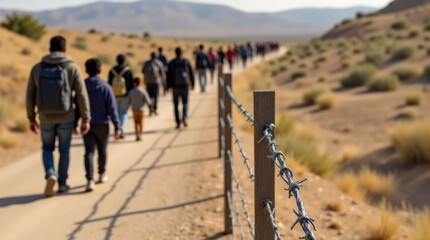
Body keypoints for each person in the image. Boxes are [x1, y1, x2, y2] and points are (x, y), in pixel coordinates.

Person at [26, 35, 91, 197]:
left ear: (49, 49)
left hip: (45, 117)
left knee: (47, 148)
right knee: (64, 151)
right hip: (66, 117)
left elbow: (30, 95)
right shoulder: (72, 67)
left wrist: (31, 118)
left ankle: (50, 173)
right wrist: (85, 118)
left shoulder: (37, 68)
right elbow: (82, 95)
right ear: (65, 49)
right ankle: (62, 183)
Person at [75, 58, 121, 192]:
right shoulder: (106, 87)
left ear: (86, 70)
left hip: (86, 124)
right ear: (100, 70)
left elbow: (77, 106)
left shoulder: (81, 86)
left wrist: (74, 123)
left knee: (88, 152)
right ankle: (101, 174)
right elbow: (112, 109)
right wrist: (117, 126)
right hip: (103, 125)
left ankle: (89, 180)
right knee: (102, 150)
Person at [167, 47, 195, 129]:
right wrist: (193, 83)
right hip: (185, 86)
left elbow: (168, 75)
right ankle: (185, 118)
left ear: (175, 53)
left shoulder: (172, 62)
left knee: (175, 105)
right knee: (185, 103)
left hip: (175, 87)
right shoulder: (186, 61)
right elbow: (191, 73)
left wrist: (168, 86)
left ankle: (178, 122)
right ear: (181, 53)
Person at [108, 54, 134, 139]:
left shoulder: (112, 71)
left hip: (114, 95)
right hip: (125, 95)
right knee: (124, 112)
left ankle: (117, 129)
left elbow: (109, 83)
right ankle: (121, 129)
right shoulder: (128, 70)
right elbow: (131, 84)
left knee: (116, 113)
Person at [142, 52, 165, 116]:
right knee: (155, 96)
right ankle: (154, 109)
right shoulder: (159, 63)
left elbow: (143, 71)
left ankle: (150, 110)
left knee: (149, 96)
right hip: (156, 82)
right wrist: (163, 82)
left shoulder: (146, 63)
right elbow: (162, 73)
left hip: (148, 82)